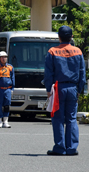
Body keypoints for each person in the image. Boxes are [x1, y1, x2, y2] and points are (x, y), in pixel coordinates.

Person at [44, 25, 86, 155]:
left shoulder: (52, 51)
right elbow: (82, 73)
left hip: (58, 88)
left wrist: (48, 89)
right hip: (73, 88)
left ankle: (60, 147)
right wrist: (79, 89)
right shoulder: (78, 51)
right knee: (71, 118)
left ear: (59, 37)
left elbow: (48, 73)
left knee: (57, 118)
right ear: (71, 37)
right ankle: (72, 148)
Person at [0, 51, 15, 128]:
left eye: (5, 57)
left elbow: (13, 78)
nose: (4, 58)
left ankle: (5, 121)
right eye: (2, 57)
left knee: (7, 105)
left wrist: (12, 88)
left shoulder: (10, 67)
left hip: (7, 89)